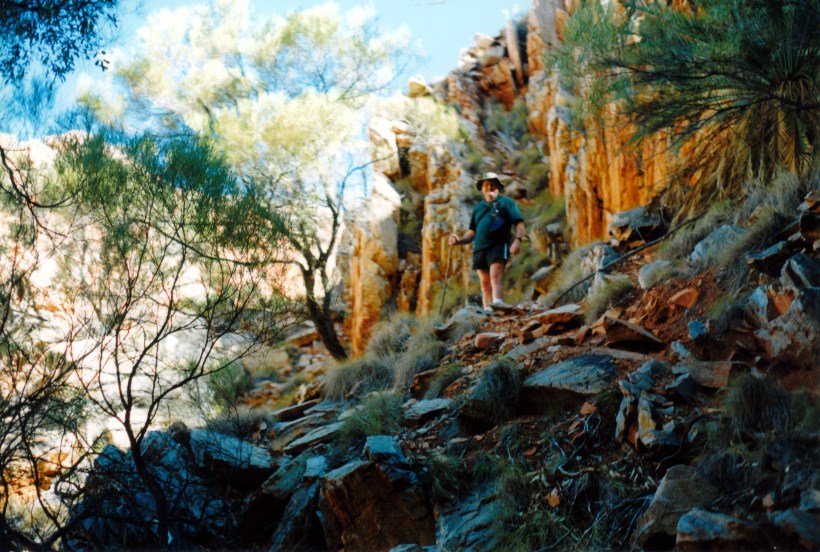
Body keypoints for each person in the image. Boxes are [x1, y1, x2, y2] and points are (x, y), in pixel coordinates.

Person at [448, 172, 525, 313]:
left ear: (497, 187)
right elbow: (472, 232)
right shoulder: (478, 208)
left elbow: (519, 223)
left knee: (495, 276)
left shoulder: (506, 203)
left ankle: (498, 306)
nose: (489, 187)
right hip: (479, 248)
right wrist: (458, 240)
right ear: (482, 188)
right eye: (486, 184)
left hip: (498, 244)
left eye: (492, 184)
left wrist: (517, 241)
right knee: (484, 283)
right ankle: (487, 311)